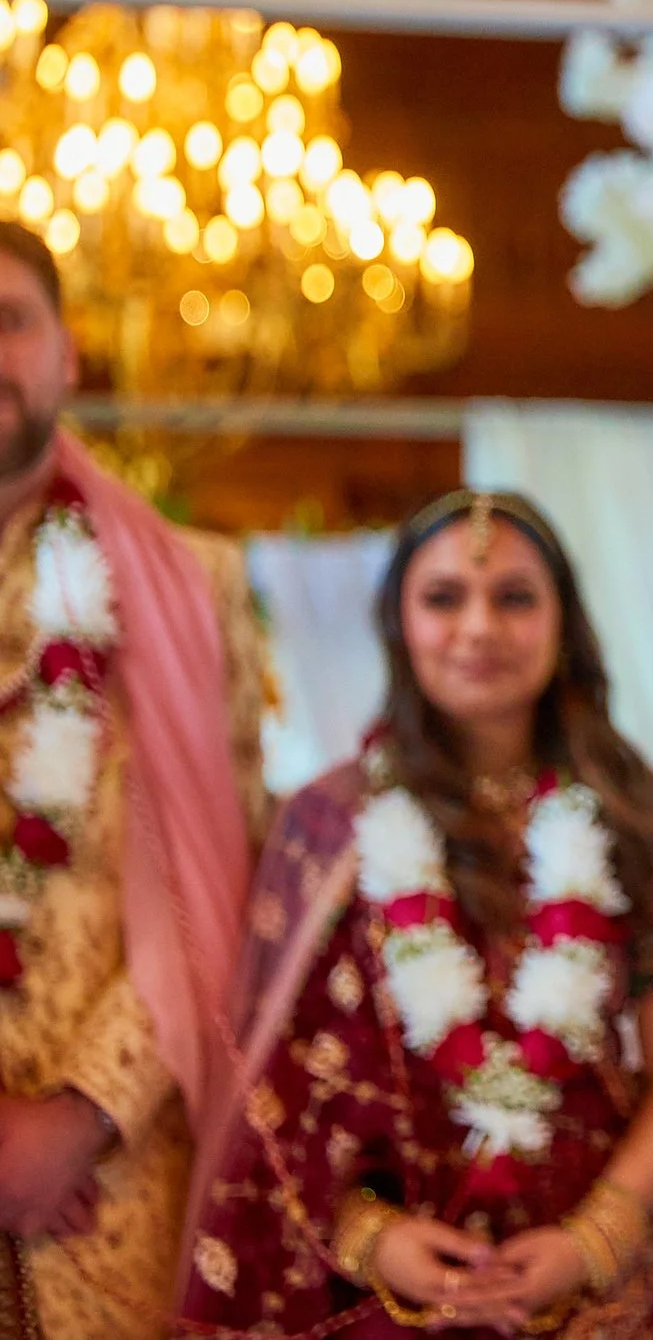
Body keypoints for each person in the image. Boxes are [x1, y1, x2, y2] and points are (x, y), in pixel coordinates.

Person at [177, 489, 653, 1338]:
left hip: (606, 1280)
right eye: (443, 597)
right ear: (398, 624)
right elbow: (276, 1087)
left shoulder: (630, 813)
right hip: (388, 1287)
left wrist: (593, 1238)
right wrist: (375, 1240)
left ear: (564, 623)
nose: (480, 626)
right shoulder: (328, 825)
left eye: (515, 597)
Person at [0, 222, 269, 1340]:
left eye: (10, 321)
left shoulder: (187, 582)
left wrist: (76, 1119)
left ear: (67, 351)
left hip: (111, 1178)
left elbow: (223, 884)